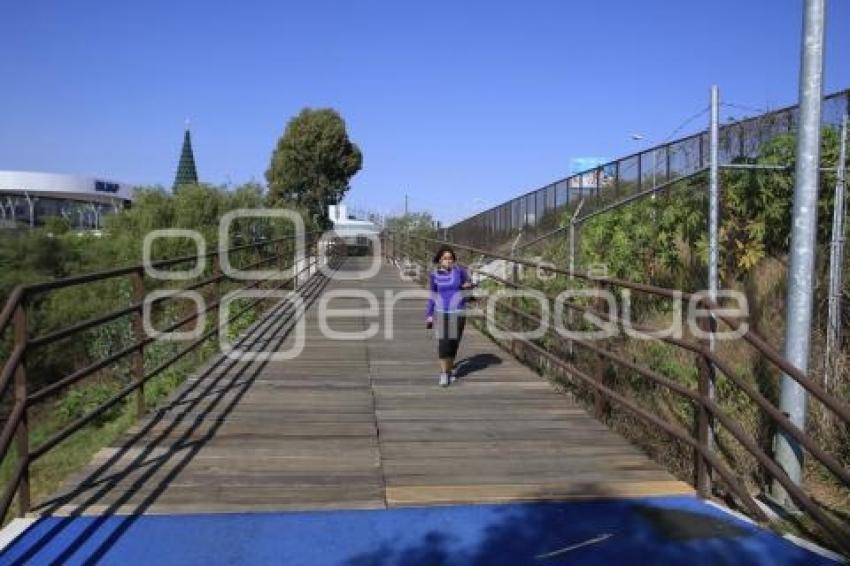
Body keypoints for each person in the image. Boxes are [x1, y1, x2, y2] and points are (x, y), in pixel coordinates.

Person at [425, 245, 473, 387]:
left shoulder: (460, 272)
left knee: (453, 344)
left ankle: (450, 370)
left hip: (458, 312)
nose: (448, 261)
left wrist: (468, 286)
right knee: (444, 343)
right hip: (442, 313)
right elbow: (433, 295)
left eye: (450, 258)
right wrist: (429, 314)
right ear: (440, 260)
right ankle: (444, 373)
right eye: (445, 258)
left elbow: (469, 285)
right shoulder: (435, 275)